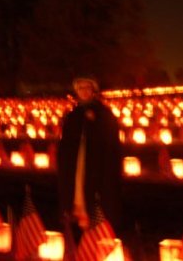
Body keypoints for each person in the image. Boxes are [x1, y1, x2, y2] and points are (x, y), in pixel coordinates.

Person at [57, 76, 122, 243]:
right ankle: (79, 237)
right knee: (77, 198)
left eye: (87, 88)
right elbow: (65, 145)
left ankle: (95, 239)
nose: (84, 91)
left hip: (97, 168)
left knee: (95, 203)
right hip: (76, 166)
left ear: (93, 91)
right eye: (80, 88)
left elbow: (111, 146)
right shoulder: (72, 116)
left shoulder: (105, 115)